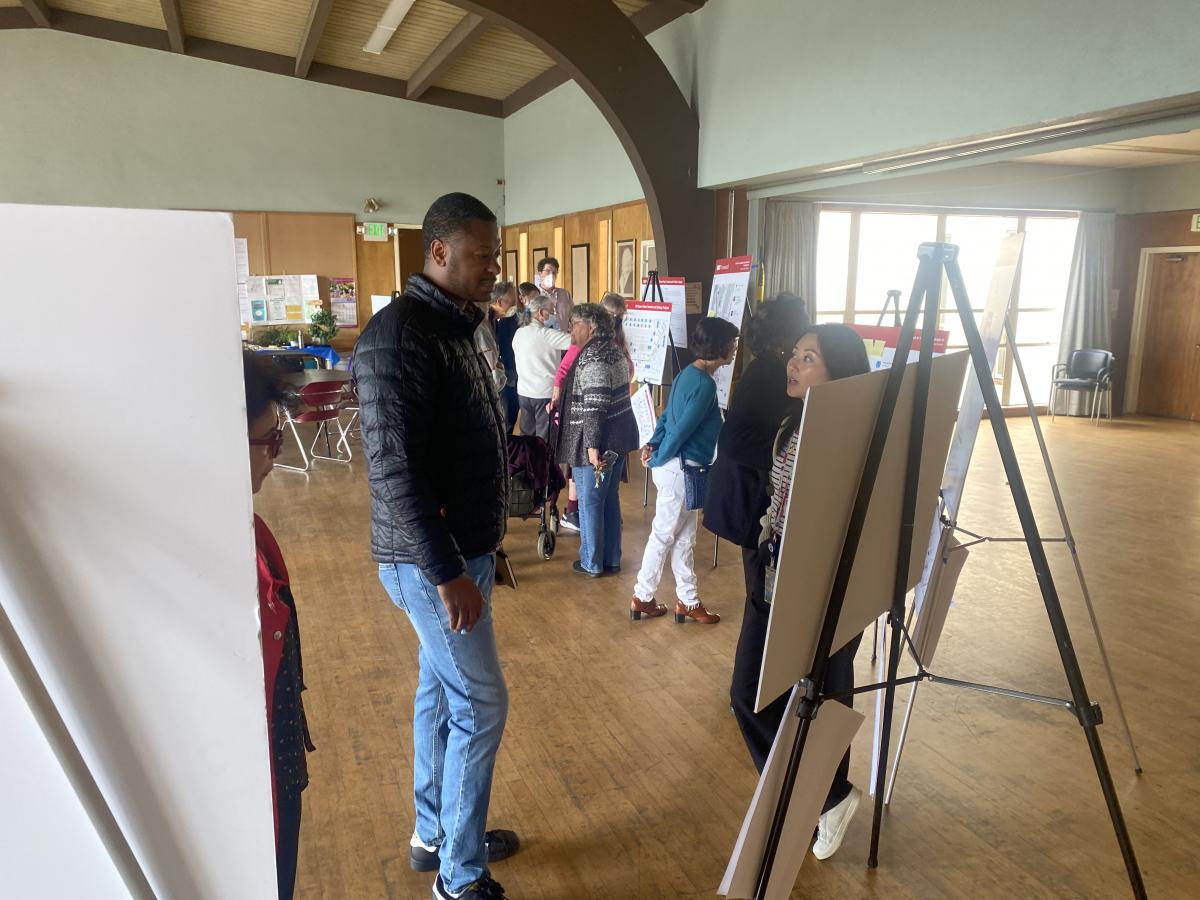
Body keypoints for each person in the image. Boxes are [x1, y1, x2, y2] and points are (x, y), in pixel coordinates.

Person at [355, 192, 518, 900]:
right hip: (431, 562)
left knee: (441, 692)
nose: (493, 266)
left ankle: (435, 834)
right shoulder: (399, 337)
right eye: (481, 255)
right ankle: (459, 874)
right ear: (440, 252)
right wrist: (448, 568)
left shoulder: (463, 324)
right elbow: (394, 470)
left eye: (496, 254)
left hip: (462, 551)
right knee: (480, 706)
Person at [730, 323, 870, 863]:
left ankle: (820, 798)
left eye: (809, 358)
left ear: (837, 373)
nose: (793, 364)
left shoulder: (849, 437)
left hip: (824, 584)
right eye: (796, 353)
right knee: (748, 693)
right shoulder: (793, 425)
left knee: (824, 695)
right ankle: (823, 796)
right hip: (774, 572)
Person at [244, 352, 314, 900]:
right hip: (252, 775)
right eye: (267, 441)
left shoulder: (252, 531)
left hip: (279, 759)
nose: (276, 455)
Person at [631, 317, 740, 625]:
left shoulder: (685, 375)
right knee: (665, 535)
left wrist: (653, 445)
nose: (734, 348)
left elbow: (666, 420)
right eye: (732, 342)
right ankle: (643, 595)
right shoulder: (704, 385)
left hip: (677, 467)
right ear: (719, 346)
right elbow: (681, 430)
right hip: (682, 469)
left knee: (683, 537)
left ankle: (688, 601)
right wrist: (657, 455)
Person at [703, 293, 809, 599]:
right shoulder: (768, 373)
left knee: (762, 588)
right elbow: (734, 439)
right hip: (749, 496)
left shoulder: (771, 367)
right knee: (761, 594)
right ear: (786, 334)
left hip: (753, 493)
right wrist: (785, 456)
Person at [555, 304, 639, 577]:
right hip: (616, 440)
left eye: (575, 322)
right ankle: (611, 558)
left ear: (591, 327)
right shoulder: (613, 350)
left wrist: (592, 447)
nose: (570, 327)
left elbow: (595, 406)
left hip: (597, 446)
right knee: (608, 499)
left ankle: (591, 561)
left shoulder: (593, 358)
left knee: (590, 500)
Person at [512, 292, 571, 442]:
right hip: (544, 394)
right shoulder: (547, 334)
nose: (554, 314)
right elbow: (576, 341)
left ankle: (526, 464)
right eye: (551, 311)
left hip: (524, 392)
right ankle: (541, 466)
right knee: (544, 440)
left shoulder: (519, 333)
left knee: (526, 436)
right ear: (540, 313)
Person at [491, 281, 521, 429]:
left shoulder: (510, 319)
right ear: (499, 301)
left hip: (509, 370)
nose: (515, 304)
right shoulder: (487, 321)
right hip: (500, 373)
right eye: (511, 301)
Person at [599, 291, 635, 381]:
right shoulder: (592, 337)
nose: (615, 319)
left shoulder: (619, 337)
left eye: (619, 315)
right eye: (611, 314)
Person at [536, 257, 574, 331]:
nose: (551, 275)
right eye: (548, 271)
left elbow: (573, 315)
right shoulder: (536, 294)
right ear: (540, 273)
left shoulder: (565, 294)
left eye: (554, 272)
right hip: (544, 338)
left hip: (563, 337)